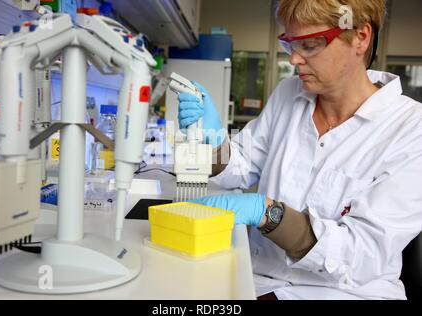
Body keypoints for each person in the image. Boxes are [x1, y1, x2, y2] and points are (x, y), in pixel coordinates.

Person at [176, 0, 422, 300]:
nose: (293, 58)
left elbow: (362, 253)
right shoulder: (288, 93)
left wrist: (269, 215)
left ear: (360, 37)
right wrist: (213, 139)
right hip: (260, 280)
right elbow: (240, 167)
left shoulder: (410, 128)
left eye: (309, 45)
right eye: (288, 42)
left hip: (344, 293)